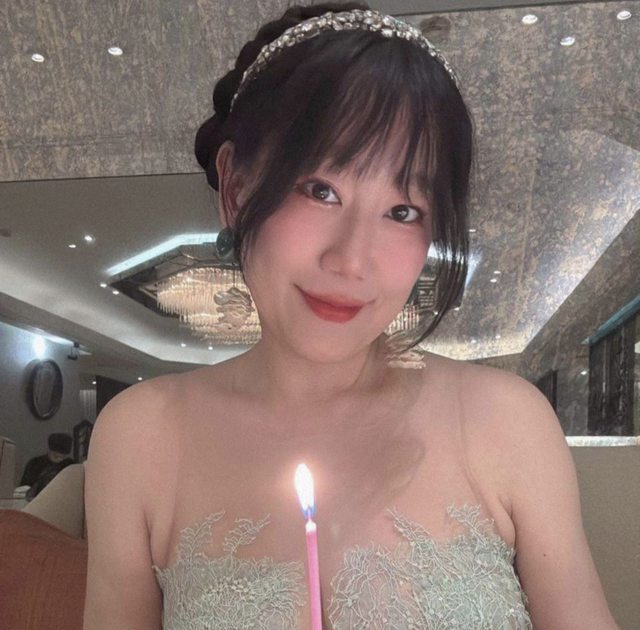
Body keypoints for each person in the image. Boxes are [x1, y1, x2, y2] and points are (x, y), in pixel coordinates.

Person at [83, 3, 619, 629]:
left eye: (402, 211)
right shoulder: (142, 439)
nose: (352, 261)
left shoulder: (508, 422)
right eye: (321, 190)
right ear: (235, 187)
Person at [20, 432, 74, 499]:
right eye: (55, 456)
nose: (59, 459)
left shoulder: (70, 465)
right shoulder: (34, 464)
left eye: (63, 457)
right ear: (49, 450)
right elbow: (24, 489)